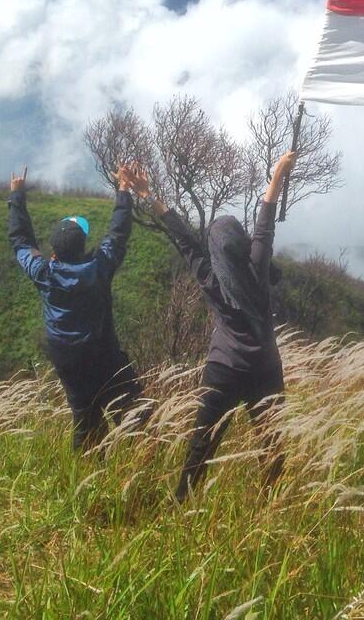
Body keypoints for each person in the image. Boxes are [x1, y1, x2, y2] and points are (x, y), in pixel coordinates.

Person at [130, 151, 296, 501]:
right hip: (266, 369)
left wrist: (147, 195)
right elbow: (265, 218)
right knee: (272, 446)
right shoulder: (259, 267)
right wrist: (278, 172)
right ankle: (273, 505)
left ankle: (181, 503)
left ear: (217, 254)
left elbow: (184, 241)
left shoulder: (211, 279)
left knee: (201, 446)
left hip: (223, 371)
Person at [7, 164, 150, 451]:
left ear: (54, 252)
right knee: (134, 411)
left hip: (66, 358)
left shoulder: (43, 273)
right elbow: (117, 234)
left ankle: (88, 476)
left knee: (85, 418)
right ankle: (136, 462)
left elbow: (20, 242)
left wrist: (17, 198)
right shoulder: (98, 269)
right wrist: (124, 190)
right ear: (84, 247)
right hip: (102, 352)